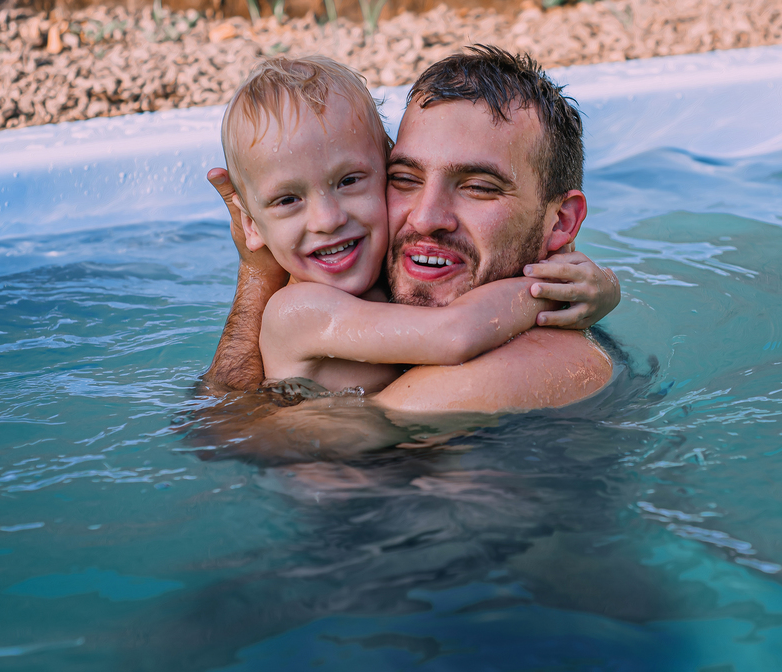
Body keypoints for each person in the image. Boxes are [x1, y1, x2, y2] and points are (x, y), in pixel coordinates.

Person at [205, 45, 619, 422]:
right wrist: (552, 290)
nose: (424, 219)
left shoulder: (374, 284)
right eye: (407, 178)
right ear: (251, 223)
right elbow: (456, 333)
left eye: (478, 186)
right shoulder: (300, 310)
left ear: (561, 223)